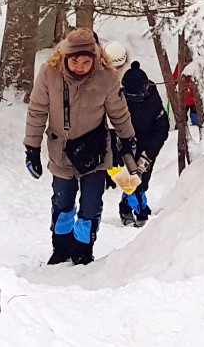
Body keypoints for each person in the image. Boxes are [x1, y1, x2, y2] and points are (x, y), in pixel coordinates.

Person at [23, 26, 136, 266]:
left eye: (87, 62)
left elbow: (119, 112)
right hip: (60, 151)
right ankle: (61, 246)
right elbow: (37, 111)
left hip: (95, 151)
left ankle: (83, 248)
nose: (81, 67)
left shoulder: (105, 77)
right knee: (63, 203)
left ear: (95, 59)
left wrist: (127, 140)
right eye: (75, 62)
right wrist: (31, 148)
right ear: (64, 58)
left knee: (91, 204)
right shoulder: (49, 74)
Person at [105, 41, 170, 226]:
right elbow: (112, 122)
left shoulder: (153, 101)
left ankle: (138, 205)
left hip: (147, 144)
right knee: (128, 180)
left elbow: (161, 129)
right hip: (125, 144)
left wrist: (148, 156)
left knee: (142, 180)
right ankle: (128, 208)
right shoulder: (119, 97)